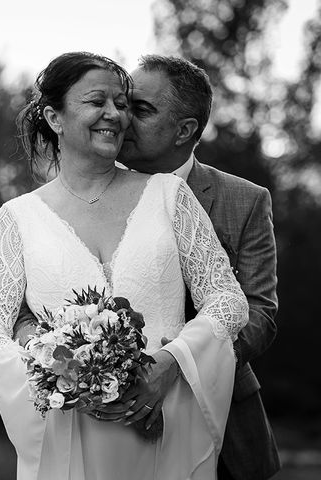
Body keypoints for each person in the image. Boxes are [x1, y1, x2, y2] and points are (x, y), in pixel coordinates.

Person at [0, 51, 248, 480]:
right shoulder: (17, 219)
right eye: (97, 102)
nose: (115, 115)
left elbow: (227, 300)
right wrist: (64, 376)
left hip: (166, 422)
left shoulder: (169, 196)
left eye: (122, 103)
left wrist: (169, 365)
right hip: (70, 434)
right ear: (54, 118)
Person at [116, 55, 280, 480]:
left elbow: (261, 313)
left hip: (224, 419)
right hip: (116, 419)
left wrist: (182, 364)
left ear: (185, 129)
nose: (122, 118)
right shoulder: (91, 193)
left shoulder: (244, 200)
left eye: (142, 109)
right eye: (123, 104)